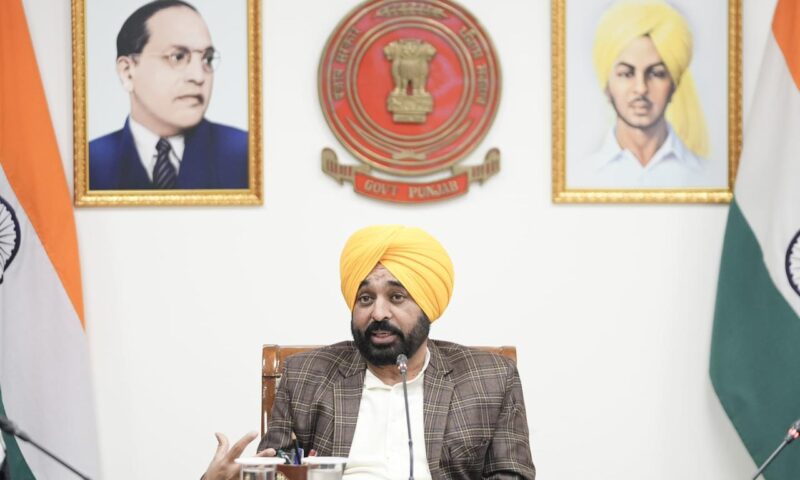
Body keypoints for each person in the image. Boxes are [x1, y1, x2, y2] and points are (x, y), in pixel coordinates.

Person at [203, 225, 535, 480]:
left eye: (397, 297)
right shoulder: (305, 375)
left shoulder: (490, 378)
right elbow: (276, 472)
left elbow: (512, 475)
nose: (378, 313)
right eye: (365, 299)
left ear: (428, 306)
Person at [89, 0, 248, 190]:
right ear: (127, 72)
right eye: (177, 57)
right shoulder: (90, 163)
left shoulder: (245, 154)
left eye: (207, 58)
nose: (198, 76)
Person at [571, 0, 712, 188]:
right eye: (626, 74)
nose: (641, 88)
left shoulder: (704, 174)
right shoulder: (581, 176)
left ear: (674, 85)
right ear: (607, 86)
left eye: (656, 73)